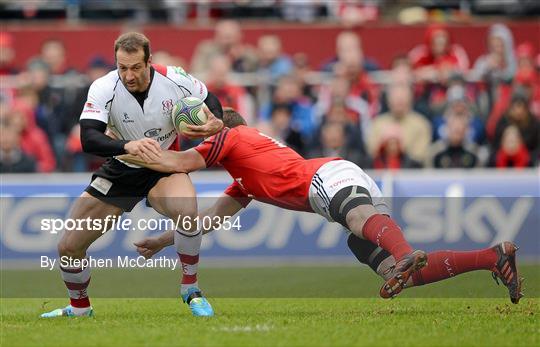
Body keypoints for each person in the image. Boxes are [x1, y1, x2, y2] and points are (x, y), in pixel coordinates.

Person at [120, 109, 523, 303]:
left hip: (324, 177)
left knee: (362, 221)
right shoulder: (242, 179)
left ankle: (404, 254)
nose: (200, 133)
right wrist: (163, 240)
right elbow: (206, 220)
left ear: (220, 127)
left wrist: (125, 148)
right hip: (333, 181)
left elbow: (176, 162)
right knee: (370, 249)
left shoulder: (233, 137)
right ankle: (493, 257)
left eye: (205, 126)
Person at [40, 32, 224, 319]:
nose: (128, 75)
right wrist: (128, 144)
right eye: (122, 67)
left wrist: (215, 121)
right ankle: (79, 308)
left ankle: (191, 289)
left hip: (163, 165)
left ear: (149, 61)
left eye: (136, 67)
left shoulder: (174, 78)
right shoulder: (104, 87)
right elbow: (89, 138)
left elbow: (210, 100)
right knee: (68, 246)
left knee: (187, 212)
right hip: (122, 167)